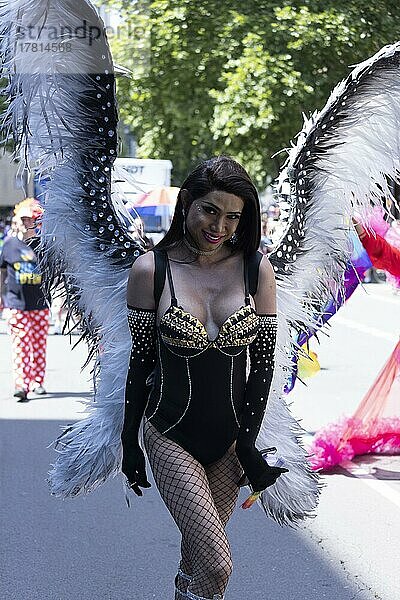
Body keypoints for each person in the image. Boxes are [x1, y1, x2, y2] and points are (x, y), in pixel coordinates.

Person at [121, 156, 288, 600]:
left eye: (233, 216)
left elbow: (263, 367)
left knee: (197, 562)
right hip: (170, 432)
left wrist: (249, 443)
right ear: (187, 204)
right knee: (217, 563)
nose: (220, 226)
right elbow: (140, 366)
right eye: (210, 211)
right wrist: (127, 444)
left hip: (231, 442)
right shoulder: (150, 270)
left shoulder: (256, 269)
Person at [0, 198, 49, 402]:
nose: (23, 222)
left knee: (38, 345)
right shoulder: (9, 245)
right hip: (15, 304)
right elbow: (2, 273)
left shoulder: (43, 245)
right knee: (20, 344)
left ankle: (37, 381)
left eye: (29, 219)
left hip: (39, 304)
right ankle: (22, 384)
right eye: (22, 218)